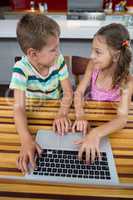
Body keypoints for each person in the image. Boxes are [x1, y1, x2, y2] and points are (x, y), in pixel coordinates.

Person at [9, 13, 73, 173]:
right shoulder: (21, 69)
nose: (58, 52)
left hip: (55, 114)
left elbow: (68, 93)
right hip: (33, 116)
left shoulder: (58, 61)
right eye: (53, 49)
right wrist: (26, 140)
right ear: (33, 54)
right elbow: (18, 109)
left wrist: (63, 113)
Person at [72, 23, 133, 163]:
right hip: (90, 116)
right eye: (92, 50)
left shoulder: (127, 82)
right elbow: (79, 92)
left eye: (98, 52)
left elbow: (122, 119)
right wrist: (80, 114)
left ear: (116, 56)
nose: (91, 56)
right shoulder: (93, 66)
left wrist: (96, 133)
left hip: (108, 128)